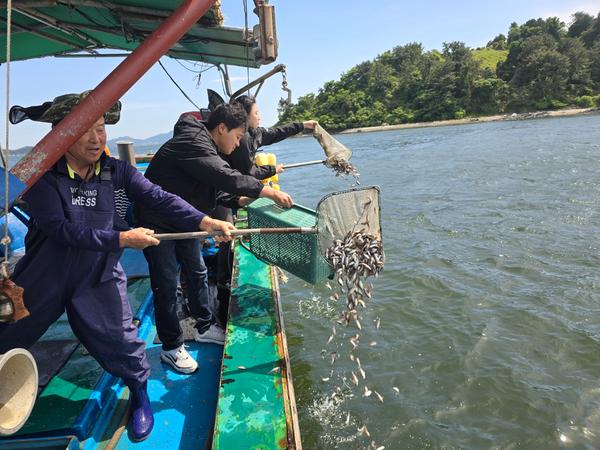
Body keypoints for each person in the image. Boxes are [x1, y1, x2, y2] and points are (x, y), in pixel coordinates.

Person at [0, 92, 235, 442]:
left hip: (98, 274)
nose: (96, 139)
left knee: (123, 341)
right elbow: (59, 230)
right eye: (85, 131)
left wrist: (203, 220)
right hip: (45, 273)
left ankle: (140, 397)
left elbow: (157, 196)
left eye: (100, 129)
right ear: (62, 135)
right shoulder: (42, 176)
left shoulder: (115, 170)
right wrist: (122, 240)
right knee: (9, 333)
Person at [136, 103, 293, 368]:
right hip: (156, 220)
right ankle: (171, 346)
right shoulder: (194, 142)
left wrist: (242, 201)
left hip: (183, 217)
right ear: (221, 128)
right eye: (236, 137)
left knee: (196, 270)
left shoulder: (208, 148)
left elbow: (215, 192)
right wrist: (269, 191)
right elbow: (224, 176)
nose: (237, 144)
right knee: (166, 282)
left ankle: (204, 326)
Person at [227, 94, 318, 179]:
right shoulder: (243, 138)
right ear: (245, 116)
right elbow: (248, 173)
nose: (259, 117)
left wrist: (303, 125)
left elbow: (276, 132)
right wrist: (273, 170)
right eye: (256, 113)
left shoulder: (254, 133)